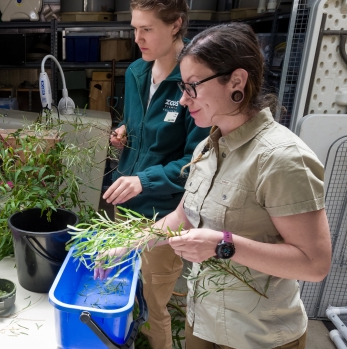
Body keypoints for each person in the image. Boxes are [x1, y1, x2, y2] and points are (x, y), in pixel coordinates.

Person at [99, 22, 332, 348]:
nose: (182, 100)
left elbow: (314, 264)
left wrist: (223, 245)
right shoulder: (207, 147)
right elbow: (182, 217)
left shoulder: (282, 158)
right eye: (183, 86)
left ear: (236, 81)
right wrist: (128, 245)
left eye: (192, 85)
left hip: (258, 334)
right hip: (203, 321)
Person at [102, 0, 209, 347]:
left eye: (147, 29)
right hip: (126, 201)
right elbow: (140, 126)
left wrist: (144, 179)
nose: (137, 38)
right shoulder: (136, 72)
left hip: (164, 212)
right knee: (123, 288)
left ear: (176, 25)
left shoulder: (193, 81)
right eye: (135, 28)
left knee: (151, 304)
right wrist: (124, 132)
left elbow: (195, 163)